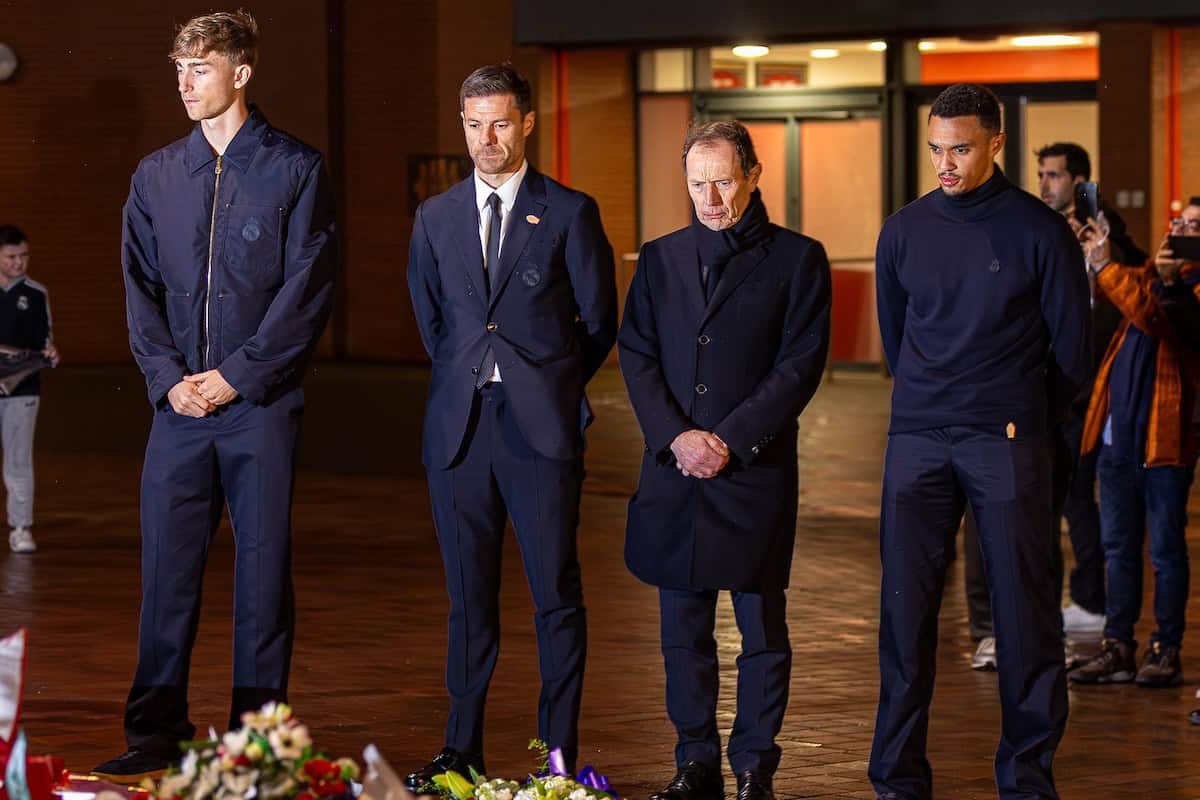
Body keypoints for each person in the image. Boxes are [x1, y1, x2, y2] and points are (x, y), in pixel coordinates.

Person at [93, 10, 337, 782]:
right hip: (179, 413)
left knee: (263, 574)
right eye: (179, 69)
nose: (185, 83)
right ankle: (155, 730)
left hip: (258, 406)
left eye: (200, 68)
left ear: (241, 70)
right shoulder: (158, 175)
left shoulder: (296, 170)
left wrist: (237, 376)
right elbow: (138, 290)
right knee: (167, 571)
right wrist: (170, 381)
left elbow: (308, 291)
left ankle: (253, 741)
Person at [869, 83, 1090, 800]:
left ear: (996, 142)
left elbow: (1073, 356)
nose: (945, 163)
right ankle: (898, 780)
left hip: (1008, 437)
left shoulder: (1039, 231)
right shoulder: (902, 231)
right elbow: (898, 343)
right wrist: (933, 405)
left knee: (1026, 617)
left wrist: (1016, 412)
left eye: (959, 148)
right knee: (904, 616)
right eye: (936, 149)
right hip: (918, 440)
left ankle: (1027, 782)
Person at [405, 63, 617, 790]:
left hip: (540, 432)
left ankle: (556, 764)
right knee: (468, 601)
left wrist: (545, 386)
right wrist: (476, 375)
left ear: (527, 122)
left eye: (499, 122)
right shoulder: (434, 218)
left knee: (554, 595)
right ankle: (459, 751)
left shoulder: (568, 212)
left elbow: (598, 322)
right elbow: (434, 321)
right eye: (473, 124)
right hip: (460, 431)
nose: (486, 139)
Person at [619, 120, 831, 800]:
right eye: (696, 183)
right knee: (682, 629)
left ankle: (755, 768)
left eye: (722, 181)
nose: (709, 198)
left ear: (753, 176)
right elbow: (636, 353)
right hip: (674, 468)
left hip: (754, 469)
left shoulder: (799, 259)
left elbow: (799, 366)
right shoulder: (659, 258)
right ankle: (696, 763)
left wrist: (730, 440)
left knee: (762, 628)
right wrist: (676, 435)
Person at [1066, 199, 1200, 689]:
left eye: (1192, 226)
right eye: (1179, 221)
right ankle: (1117, 646)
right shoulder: (1147, 275)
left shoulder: (1186, 292)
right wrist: (1101, 249)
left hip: (1165, 445)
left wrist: (1115, 270)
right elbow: (1124, 287)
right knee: (1116, 547)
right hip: (1117, 442)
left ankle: (1165, 648)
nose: (1180, 229)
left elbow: (1157, 318)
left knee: (1164, 551)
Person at [1036, 142, 1147, 635]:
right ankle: (1084, 597)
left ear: (1079, 180)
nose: (1045, 184)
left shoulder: (1103, 231)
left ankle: (1091, 598)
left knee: (1082, 494)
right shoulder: (1042, 230)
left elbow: (1121, 284)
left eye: (1055, 175)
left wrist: (1097, 240)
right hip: (1053, 388)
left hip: (1091, 390)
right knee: (1067, 497)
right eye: (1041, 174)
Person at [0, 225, 59, 554]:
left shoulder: (36, 293)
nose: (18, 263)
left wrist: (49, 351)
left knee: (19, 460)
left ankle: (20, 528)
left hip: (23, 389)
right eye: (11, 257)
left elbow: (45, 340)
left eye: (23, 256)